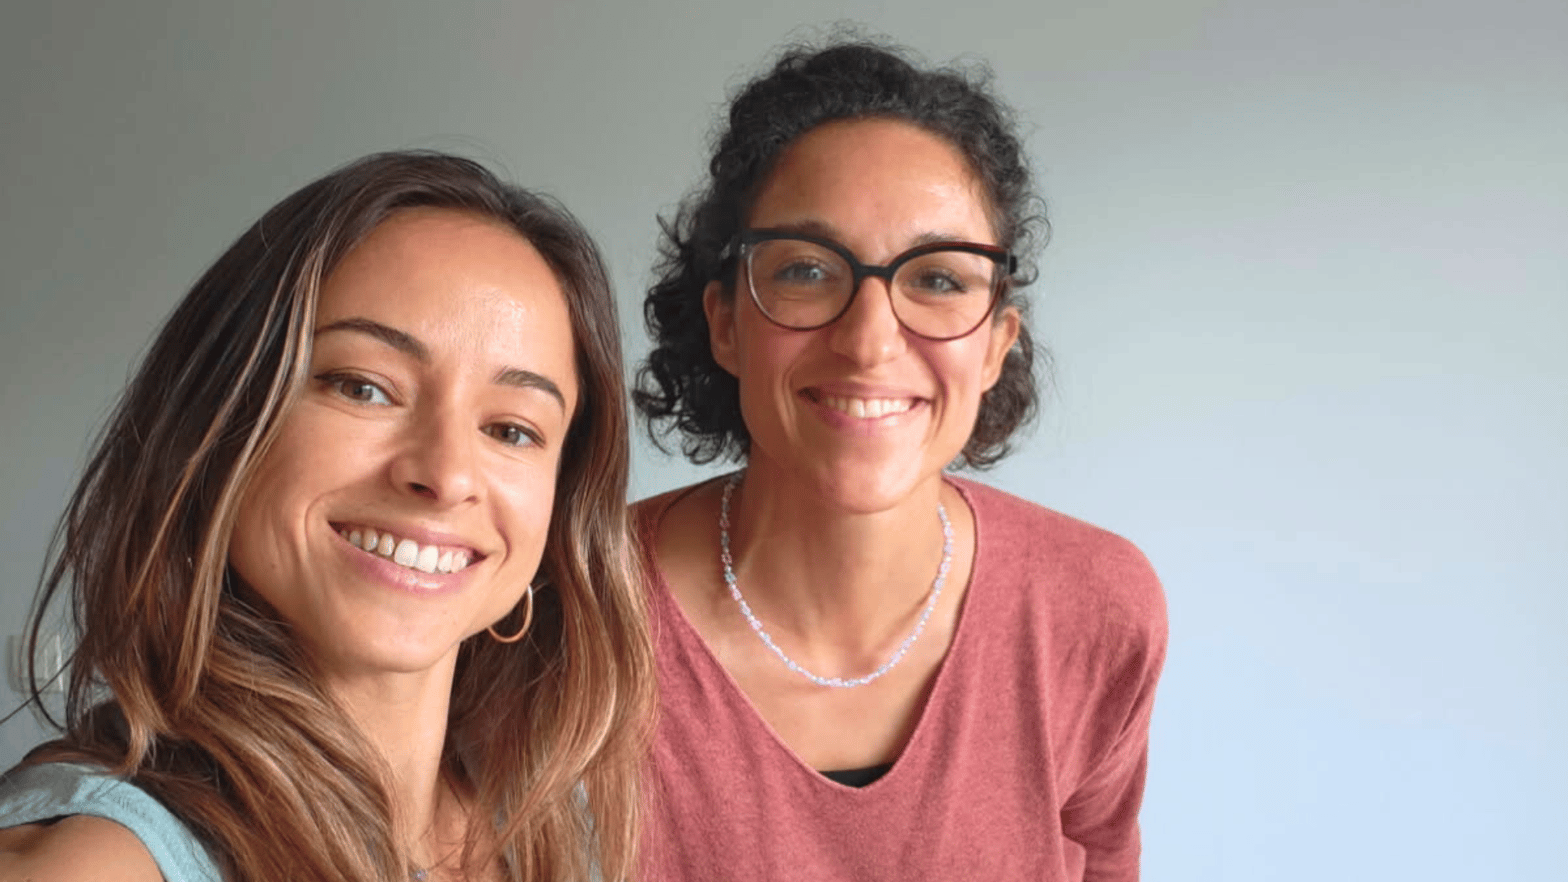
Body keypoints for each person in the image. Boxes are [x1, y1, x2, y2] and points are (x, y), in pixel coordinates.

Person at [0, 151, 653, 881]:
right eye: (364, 387)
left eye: (511, 429)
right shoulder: (88, 865)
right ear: (218, 423)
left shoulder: (543, 823)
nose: (445, 476)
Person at [633, 39, 1168, 879]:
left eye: (939, 279)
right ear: (726, 323)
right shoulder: (572, 607)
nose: (870, 342)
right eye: (807, 270)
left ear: (996, 345)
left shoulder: (1095, 607)